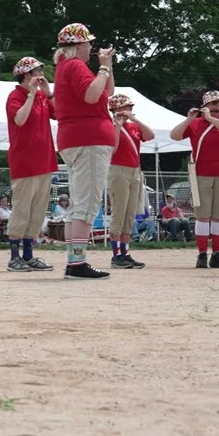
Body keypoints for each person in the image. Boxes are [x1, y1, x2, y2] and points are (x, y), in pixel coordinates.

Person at [52, 22, 115, 279]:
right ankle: (76, 264)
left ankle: (74, 262)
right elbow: (92, 96)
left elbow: (106, 93)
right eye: (88, 43)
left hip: (77, 138)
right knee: (87, 205)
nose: (91, 47)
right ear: (78, 45)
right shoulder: (75, 65)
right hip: (88, 139)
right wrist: (102, 67)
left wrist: (106, 68)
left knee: (79, 203)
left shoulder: (67, 67)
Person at [170, 90, 219, 268]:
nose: (217, 107)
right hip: (200, 174)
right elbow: (174, 135)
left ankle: (217, 253)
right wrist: (189, 119)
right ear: (205, 105)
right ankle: (201, 254)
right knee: (202, 216)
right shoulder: (195, 124)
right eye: (214, 104)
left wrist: (212, 119)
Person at [4, 56, 58, 272]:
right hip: (24, 161)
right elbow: (19, 120)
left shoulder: (42, 97)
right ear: (26, 74)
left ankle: (28, 255)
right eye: (37, 71)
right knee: (22, 209)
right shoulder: (15, 96)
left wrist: (49, 93)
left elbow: (59, 114)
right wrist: (32, 95)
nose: (41, 74)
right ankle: (14, 257)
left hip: (44, 160)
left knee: (37, 211)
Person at [107, 93, 155, 269]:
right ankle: (116, 255)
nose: (129, 110)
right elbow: (113, 148)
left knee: (130, 214)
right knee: (119, 213)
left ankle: (125, 252)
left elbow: (150, 135)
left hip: (135, 170)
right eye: (125, 107)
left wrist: (135, 119)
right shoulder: (110, 125)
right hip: (118, 170)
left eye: (130, 107)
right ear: (115, 109)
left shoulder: (134, 126)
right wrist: (118, 127)